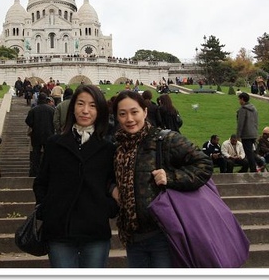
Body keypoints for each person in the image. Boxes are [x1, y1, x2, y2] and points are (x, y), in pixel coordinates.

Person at [111, 90, 212, 268]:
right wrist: (111, 188)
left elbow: (204, 164)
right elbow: (109, 178)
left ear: (145, 111)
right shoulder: (118, 147)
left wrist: (171, 177)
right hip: (132, 237)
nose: (129, 119)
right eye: (122, 114)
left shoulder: (165, 140)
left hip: (163, 234)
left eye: (134, 112)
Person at [33, 85, 118, 268]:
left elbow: (113, 183)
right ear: (73, 107)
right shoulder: (54, 144)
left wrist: (108, 209)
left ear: (100, 111)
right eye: (80, 104)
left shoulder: (109, 148)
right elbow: (41, 182)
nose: (85, 110)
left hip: (95, 230)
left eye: (92, 105)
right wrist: (46, 209)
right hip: (59, 230)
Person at [25, 92, 55, 177]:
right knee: (48, 153)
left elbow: (28, 121)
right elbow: (55, 121)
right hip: (49, 134)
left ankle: (35, 172)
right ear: (46, 100)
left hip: (36, 134)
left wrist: (35, 125)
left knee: (36, 154)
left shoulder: (33, 110)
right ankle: (48, 171)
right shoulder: (52, 110)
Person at [236, 92, 259, 172]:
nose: (239, 101)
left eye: (239, 99)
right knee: (251, 152)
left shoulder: (243, 109)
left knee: (248, 153)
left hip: (246, 134)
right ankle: (257, 163)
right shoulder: (254, 108)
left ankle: (253, 169)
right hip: (254, 133)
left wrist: (238, 135)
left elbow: (240, 123)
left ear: (242, 99)